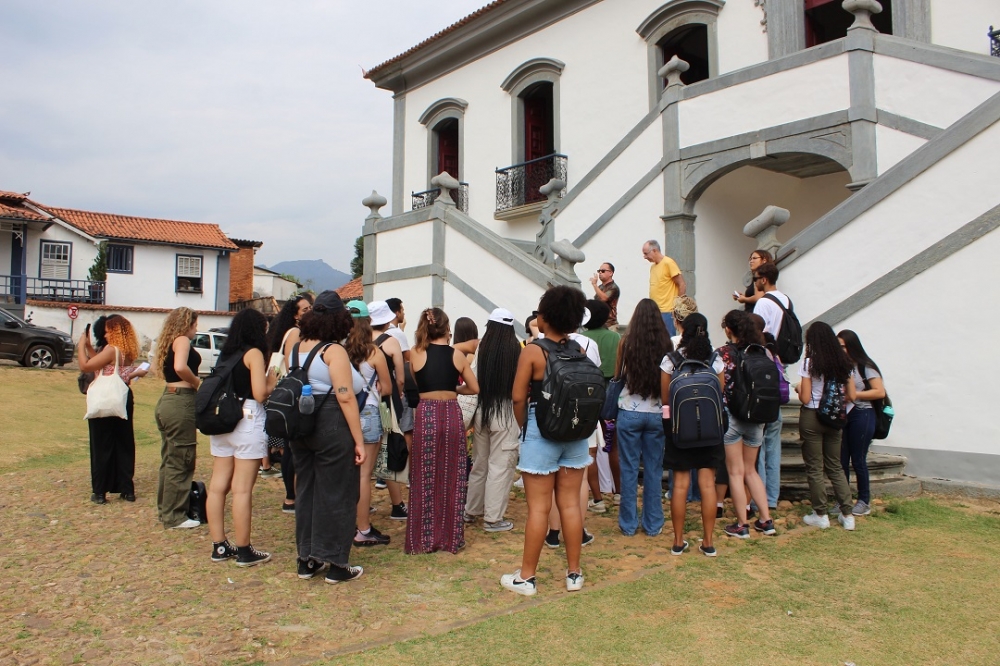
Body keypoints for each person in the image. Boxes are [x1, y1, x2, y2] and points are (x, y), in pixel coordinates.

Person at [501, 286, 591, 596]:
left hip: (541, 429)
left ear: (545, 317)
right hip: (575, 433)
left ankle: (527, 577)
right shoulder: (578, 350)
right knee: (570, 504)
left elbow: (517, 397)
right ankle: (574, 573)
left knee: (539, 508)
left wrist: (524, 427)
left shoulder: (533, 351)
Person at [286, 290, 367, 583]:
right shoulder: (333, 351)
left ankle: (306, 558)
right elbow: (345, 397)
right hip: (331, 422)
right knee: (338, 492)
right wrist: (359, 441)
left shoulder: (295, 348)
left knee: (307, 492)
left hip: (301, 424)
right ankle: (336, 562)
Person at [206, 309, 278, 566]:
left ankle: (219, 545)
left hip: (222, 418)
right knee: (242, 489)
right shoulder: (254, 353)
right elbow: (260, 393)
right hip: (246, 418)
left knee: (218, 486)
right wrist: (272, 380)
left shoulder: (227, 352)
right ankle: (244, 549)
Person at [406, 308, 479, 554]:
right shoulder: (456, 355)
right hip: (450, 413)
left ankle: (422, 538)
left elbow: (414, 384)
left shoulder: (415, 353)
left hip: (426, 413)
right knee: (452, 474)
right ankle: (450, 537)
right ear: (447, 328)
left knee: (423, 474)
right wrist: (454, 389)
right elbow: (474, 387)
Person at [659, 312, 724, 556]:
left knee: (680, 486)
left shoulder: (671, 359)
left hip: (680, 429)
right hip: (710, 429)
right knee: (707, 485)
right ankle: (708, 542)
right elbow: (720, 393)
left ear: (683, 331)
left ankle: (678, 541)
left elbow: (665, 399)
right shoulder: (715, 359)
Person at [613, 299, 671, 538]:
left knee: (628, 469)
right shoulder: (666, 344)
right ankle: (653, 523)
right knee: (654, 469)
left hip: (629, 410)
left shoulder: (626, 343)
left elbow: (618, 375)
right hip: (656, 412)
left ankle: (628, 523)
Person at [717, 310, 776, 539]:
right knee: (751, 471)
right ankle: (766, 520)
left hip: (732, 416)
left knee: (735, 472)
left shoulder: (723, 353)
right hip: (757, 416)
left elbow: (719, 385)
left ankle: (742, 524)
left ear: (728, 329)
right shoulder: (762, 352)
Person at [464, 308, 521, 532]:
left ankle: (471, 510)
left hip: (482, 411)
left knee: (480, 463)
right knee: (500, 466)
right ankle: (493, 519)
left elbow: (473, 377)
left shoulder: (482, 347)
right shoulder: (515, 349)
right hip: (505, 413)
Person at [797, 322, 858, 531]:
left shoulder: (809, 363)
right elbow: (852, 395)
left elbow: (805, 398)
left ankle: (820, 514)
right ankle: (848, 515)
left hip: (812, 416)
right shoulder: (845, 363)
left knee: (815, 467)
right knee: (835, 466)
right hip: (834, 417)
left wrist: (799, 389)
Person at [77, 314, 144, 505]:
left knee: (101, 444)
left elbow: (85, 366)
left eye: (108, 331)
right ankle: (126, 489)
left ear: (115, 332)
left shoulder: (111, 349)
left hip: (105, 398)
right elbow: (101, 362)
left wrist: (81, 346)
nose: (105, 334)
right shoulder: (127, 351)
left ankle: (99, 491)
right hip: (122, 396)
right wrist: (90, 347)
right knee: (124, 442)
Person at [344, 300, 393, 547]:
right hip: (370, 412)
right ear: (368, 322)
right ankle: (363, 528)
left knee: (347, 474)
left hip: (345, 414)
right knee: (364, 476)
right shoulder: (374, 352)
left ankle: (346, 523)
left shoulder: (339, 350)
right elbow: (388, 387)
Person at [153, 307, 202, 530]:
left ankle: (166, 509)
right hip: (180, 400)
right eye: (195, 325)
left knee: (170, 458)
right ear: (186, 324)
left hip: (168, 399)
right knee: (181, 459)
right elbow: (180, 367)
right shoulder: (182, 340)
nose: (196, 329)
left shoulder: (169, 341)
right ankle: (175, 515)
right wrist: (197, 383)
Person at [265, 295, 312, 513]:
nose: (309, 311)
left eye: (310, 308)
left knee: (290, 446)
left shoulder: (293, 331)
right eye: (304, 309)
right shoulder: (294, 333)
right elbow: (294, 363)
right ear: (295, 315)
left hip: (289, 392)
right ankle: (290, 497)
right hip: (291, 393)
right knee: (291, 448)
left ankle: (291, 496)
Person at [837, 329, 886, 517]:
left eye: (843, 346)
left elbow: (879, 391)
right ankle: (843, 500)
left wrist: (854, 395)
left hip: (863, 413)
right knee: (841, 459)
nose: (841, 350)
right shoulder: (841, 366)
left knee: (858, 459)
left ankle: (864, 500)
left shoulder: (866, 366)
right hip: (845, 414)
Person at [369, 300, 409, 519]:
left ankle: (361, 501)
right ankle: (397, 504)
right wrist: (398, 395)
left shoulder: (358, 340)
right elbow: (400, 379)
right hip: (386, 402)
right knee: (387, 445)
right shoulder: (391, 341)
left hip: (363, 402)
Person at [580, 300, 621, 513]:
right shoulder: (615, 338)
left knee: (590, 448)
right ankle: (619, 492)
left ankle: (596, 497)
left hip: (587, 396)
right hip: (611, 396)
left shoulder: (581, 338)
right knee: (613, 445)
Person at [643, 239, 686, 336]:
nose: (645, 257)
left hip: (667, 311)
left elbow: (682, 284)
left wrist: (677, 307)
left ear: (654, 250)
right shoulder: (653, 267)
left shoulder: (668, 263)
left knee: (668, 339)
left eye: (646, 253)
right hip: (654, 310)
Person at [751, 262, 788, 339]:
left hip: (771, 345)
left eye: (755, 279)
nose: (755, 282)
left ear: (764, 280)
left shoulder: (762, 302)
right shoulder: (786, 299)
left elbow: (757, 331)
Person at [589, 262, 621, 328]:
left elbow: (604, 298)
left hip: (610, 324)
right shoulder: (600, 287)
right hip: (600, 322)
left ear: (610, 273)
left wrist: (594, 285)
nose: (600, 273)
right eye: (599, 271)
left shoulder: (614, 287)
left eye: (603, 271)